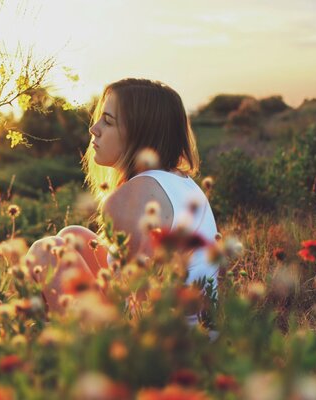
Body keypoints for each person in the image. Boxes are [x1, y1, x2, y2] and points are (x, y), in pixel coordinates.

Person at [26, 78, 219, 312]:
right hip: (197, 331)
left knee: (46, 250)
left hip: (162, 340)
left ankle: (54, 340)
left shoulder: (135, 198)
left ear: (140, 134)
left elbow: (141, 304)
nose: (93, 128)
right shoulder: (179, 181)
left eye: (108, 121)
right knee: (72, 236)